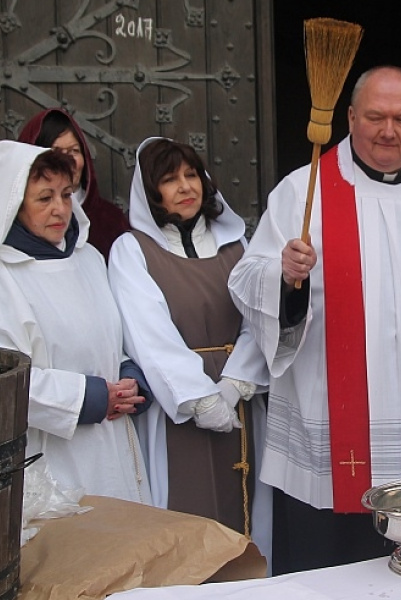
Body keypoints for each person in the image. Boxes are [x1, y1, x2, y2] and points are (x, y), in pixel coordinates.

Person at [228, 65, 401, 574]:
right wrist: (287, 277)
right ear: (350, 117)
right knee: (327, 568)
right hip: (333, 417)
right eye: (375, 117)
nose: (388, 131)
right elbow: (248, 279)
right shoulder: (302, 190)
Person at [0, 140, 152, 503]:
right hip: (47, 459)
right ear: (9, 206)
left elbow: (107, 341)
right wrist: (90, 398)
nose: (60, 209)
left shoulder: (87, 258)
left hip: (112, 448)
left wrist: (130, 377)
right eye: (44, 198)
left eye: (67, 194)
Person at [107, 137, 273, 558]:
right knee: (183, 513)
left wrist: (236, 381)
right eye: (169, 179)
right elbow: (147, 333)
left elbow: (259, 319)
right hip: (176, 407)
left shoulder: (238, 246)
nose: (185, 186)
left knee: (249, 513)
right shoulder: (132, 251)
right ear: (150, 192)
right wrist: (199, 398)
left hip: (241, 400)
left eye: (191, 174)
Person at [18, 108, 131, 259]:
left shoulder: (111, 220)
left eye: (74, 151)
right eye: (55, 151)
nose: (68, 161)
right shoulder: (17, 225)